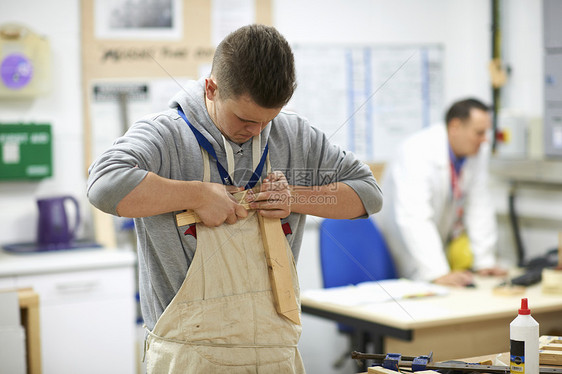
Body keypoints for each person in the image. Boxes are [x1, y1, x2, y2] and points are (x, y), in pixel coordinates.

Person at [87, 24, 382, 373]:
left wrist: (296, 199)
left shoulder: (295, 134)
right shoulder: (165, 135)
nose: (256, 130)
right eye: (244, 118)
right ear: (211, 88)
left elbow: (368, 194)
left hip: (276, 354)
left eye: (267, 120)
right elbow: (104, 185)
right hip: (189, 357)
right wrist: (195, 194)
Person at [375, 98, 506, 287]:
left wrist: (485, 262)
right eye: (479, 132)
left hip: (432, 245)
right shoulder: (416, 150)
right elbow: (414, 217)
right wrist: (437, 272)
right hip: (399, 244)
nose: (485, 139)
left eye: (486, 132)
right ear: (455, 126)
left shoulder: (476, 152)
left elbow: (480, 205)